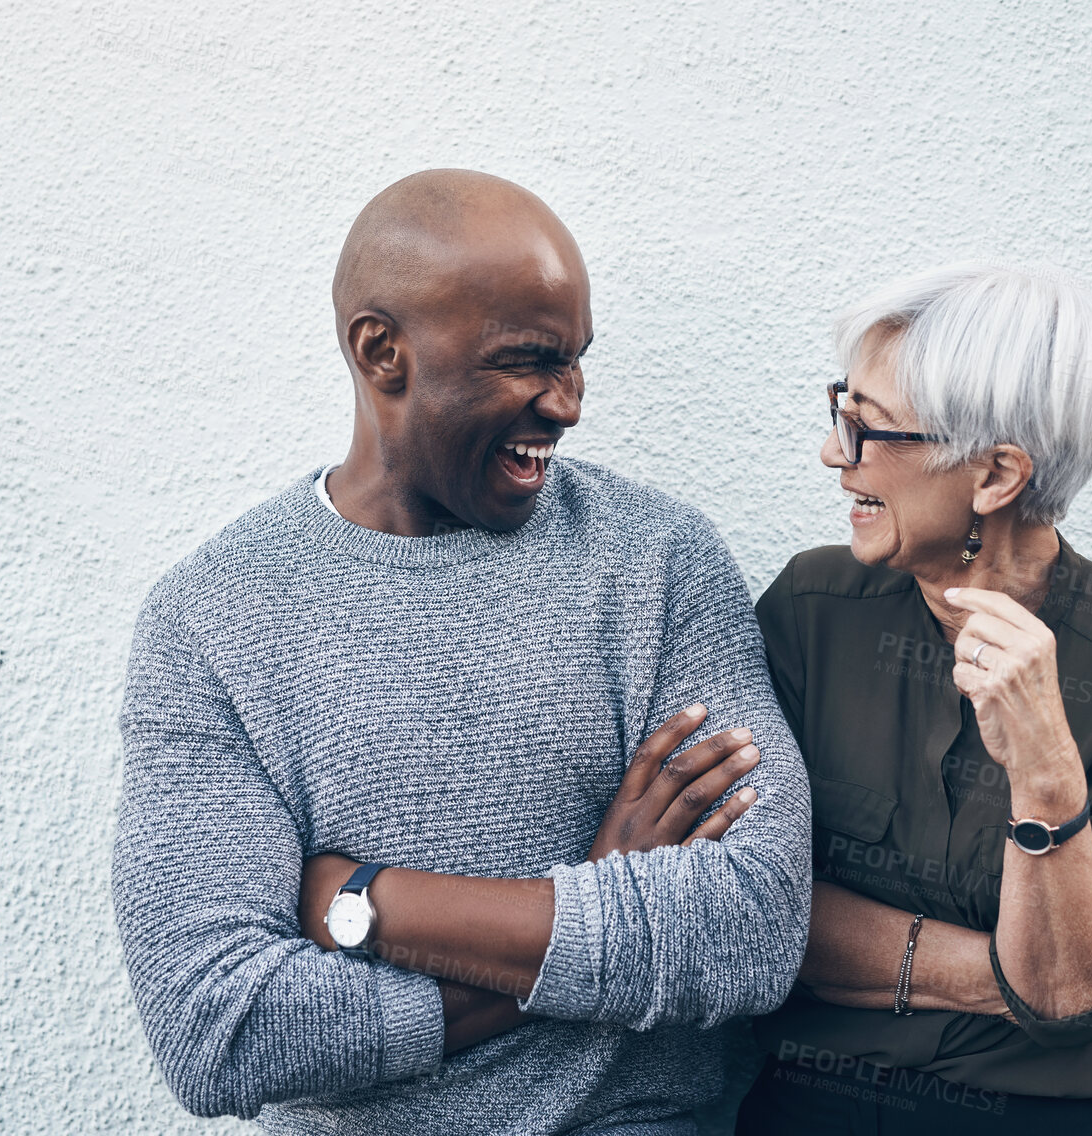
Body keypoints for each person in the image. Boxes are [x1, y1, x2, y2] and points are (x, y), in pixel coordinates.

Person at [110, 169, 813, 1135]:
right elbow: (218, 1029)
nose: (566, 404)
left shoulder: (659, 561)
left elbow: (756, 925)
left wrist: (371, 904)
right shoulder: (217, 617)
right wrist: (595, 903)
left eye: (575, 361)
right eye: (527, 361)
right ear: (381, 351)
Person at [737, 263, 1092, 1134]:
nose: (831, 454)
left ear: (996, 475)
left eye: (869, 429)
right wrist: (1000, 973)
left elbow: (1075, 995)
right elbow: (740, 907)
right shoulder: (814, 610)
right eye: (838, 412)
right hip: (810, 1106)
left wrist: (1045, 771)